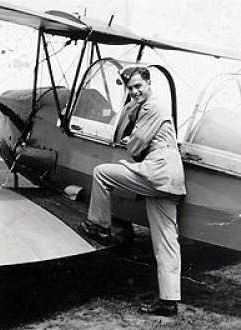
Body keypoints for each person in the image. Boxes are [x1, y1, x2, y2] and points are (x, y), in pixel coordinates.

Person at [80, 66, 186, 317]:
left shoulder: (152, 107)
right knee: (166, 242)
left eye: (139, 86)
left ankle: (100, 227)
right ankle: (168, 302)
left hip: (157, 172)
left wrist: (133, 141)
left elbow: (134, 147)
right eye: (130, 88)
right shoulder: (150, 106)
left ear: (149, 83)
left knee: (102, 172)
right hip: (170, 179)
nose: (135, 91)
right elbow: (132, 138)